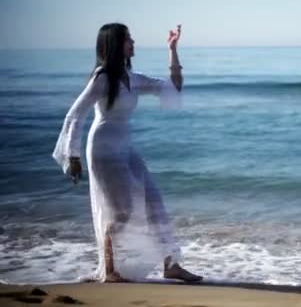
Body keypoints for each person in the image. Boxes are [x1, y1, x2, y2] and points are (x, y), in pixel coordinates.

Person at [52, 23, 202, 283]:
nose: (133, 43)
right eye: (127, 39)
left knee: (154, 201)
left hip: (125, 149)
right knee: (120, 211)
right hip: (102, 151)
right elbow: (76, 114)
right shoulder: (102, 78)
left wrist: (173, 49)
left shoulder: (133, 78)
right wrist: (72, 156)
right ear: (114, 45)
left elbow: (173, 86)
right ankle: (109, 270)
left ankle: (171, 264)